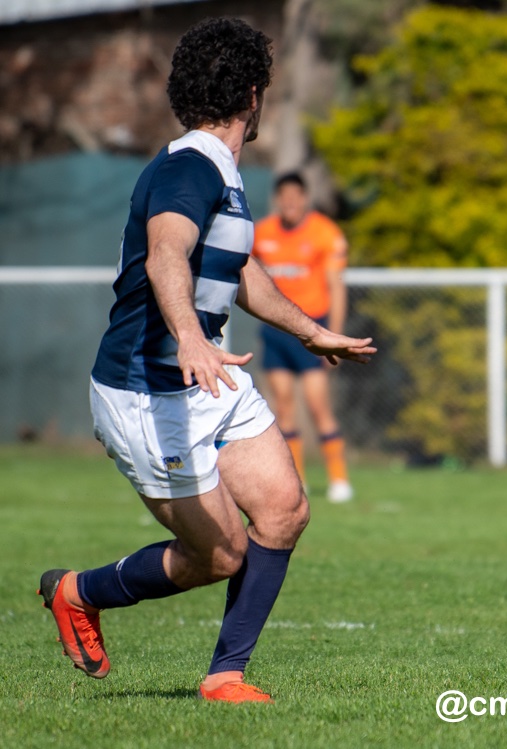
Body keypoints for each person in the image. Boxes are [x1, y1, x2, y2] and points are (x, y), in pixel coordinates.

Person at [37, 17, 375, 704]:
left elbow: (237, 270)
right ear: (254, 96)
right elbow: (167, 253)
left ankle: (225, 675)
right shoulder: (189, 168)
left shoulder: (222, 170)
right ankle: (80, 591)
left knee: (284, 508)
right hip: (147, 390)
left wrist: (309, 330)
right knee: (218, 555)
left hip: (208, 375)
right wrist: (190, 337)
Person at [252, 172, 353, 503]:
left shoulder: (324, 232)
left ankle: (339, 480)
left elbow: (337, 287)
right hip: (276, 332)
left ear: (305, 198)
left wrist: (332, 336)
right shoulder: (262, 233)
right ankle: (297, 481)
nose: (290, 203)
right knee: (283, 407)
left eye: (296, 196)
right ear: (277, 199)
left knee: (317, 405)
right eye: (284, 196)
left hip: (313, 328)